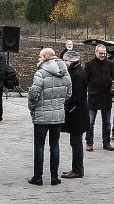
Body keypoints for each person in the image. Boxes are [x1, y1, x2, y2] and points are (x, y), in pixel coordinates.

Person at [27, 48, 72, 186]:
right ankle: (54, 177)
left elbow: (34, 93)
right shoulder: (66, 73)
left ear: (46, 57)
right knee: (55, 146)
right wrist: (59, 104)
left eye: (40, 56)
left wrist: (32, 106)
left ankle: (38, 177)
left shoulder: (40, 74)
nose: (38, 59)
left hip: (41, 116)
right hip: (58, 115)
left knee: (39, 146)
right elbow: (69, 94)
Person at [61, 50, 89, 179]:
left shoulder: (78, 74)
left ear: (71, 61)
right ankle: (76, 168)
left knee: (76, 142)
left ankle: (77, 170)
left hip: (77, 113)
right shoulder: (76, 72)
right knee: (75, 142)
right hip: (77, 112)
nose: (64, 63)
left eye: (66, 61)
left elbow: (76, 96)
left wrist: (65, 107)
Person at [84, 44, 114, 152]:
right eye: (101, 53)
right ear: (96, 52)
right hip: (94, 96)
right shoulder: (89, 64)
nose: (103, 55)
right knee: (90, 122)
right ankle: (89, 142)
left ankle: (106, 142)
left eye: (104, 53)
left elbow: (113, 76)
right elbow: (85, 80)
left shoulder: (110, 64)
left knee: (107, 122)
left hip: (106, 96)